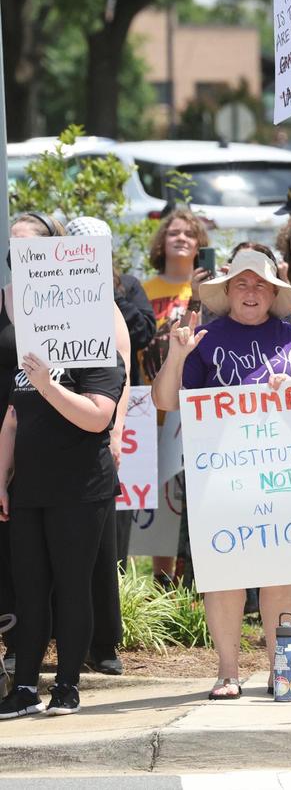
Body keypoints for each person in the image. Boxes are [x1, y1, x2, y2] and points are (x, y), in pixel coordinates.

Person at [151, 249, 291, 700]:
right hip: (220, 478)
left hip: (282, 477)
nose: (251, 292)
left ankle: (284, 672)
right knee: (225, 575)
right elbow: (165, 401)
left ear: (273, 293)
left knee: (283, 575)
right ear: (227, 292)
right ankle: (228, 672)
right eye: (241, 284)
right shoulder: (203, 338)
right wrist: (177, 354)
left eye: (260, 284)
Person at [0, 280, 127, 717]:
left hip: (80, 491)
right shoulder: (33, 356)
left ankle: (67, 685)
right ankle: (24, 688)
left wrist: (48, 386)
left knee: (73, 587)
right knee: (30, 591)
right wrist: (1, 480)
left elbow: (97, 418)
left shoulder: (101, 356)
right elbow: (12, 420)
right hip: (29, 491)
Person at [63, 217, 156, 678]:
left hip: (98, 431)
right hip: (48, 431)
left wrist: (116, 433)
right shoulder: (44, 296)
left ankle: (103, 643)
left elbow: (125, 370)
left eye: (97, 251)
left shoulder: (115, 300)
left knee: (103, 543)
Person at [0, 213, 68, 678]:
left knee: (43, 550)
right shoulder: (3, 297)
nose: (18, 252)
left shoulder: (72, 301)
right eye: (12, 245)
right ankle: (14, 641)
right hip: (5, 428)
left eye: (27, 244)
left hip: (50, 432)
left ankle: (41, 649)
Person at [140, 208, 211, 588]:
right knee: (163, 495)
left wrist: (198, 297)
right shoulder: (145, 289)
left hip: (194, 408)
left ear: (200, 244)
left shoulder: (208, 290)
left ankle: (194, 577)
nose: (181, 238)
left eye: (189, 233)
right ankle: (162, 580)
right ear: (161, 242)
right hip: (152, 406)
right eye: (173, 233)